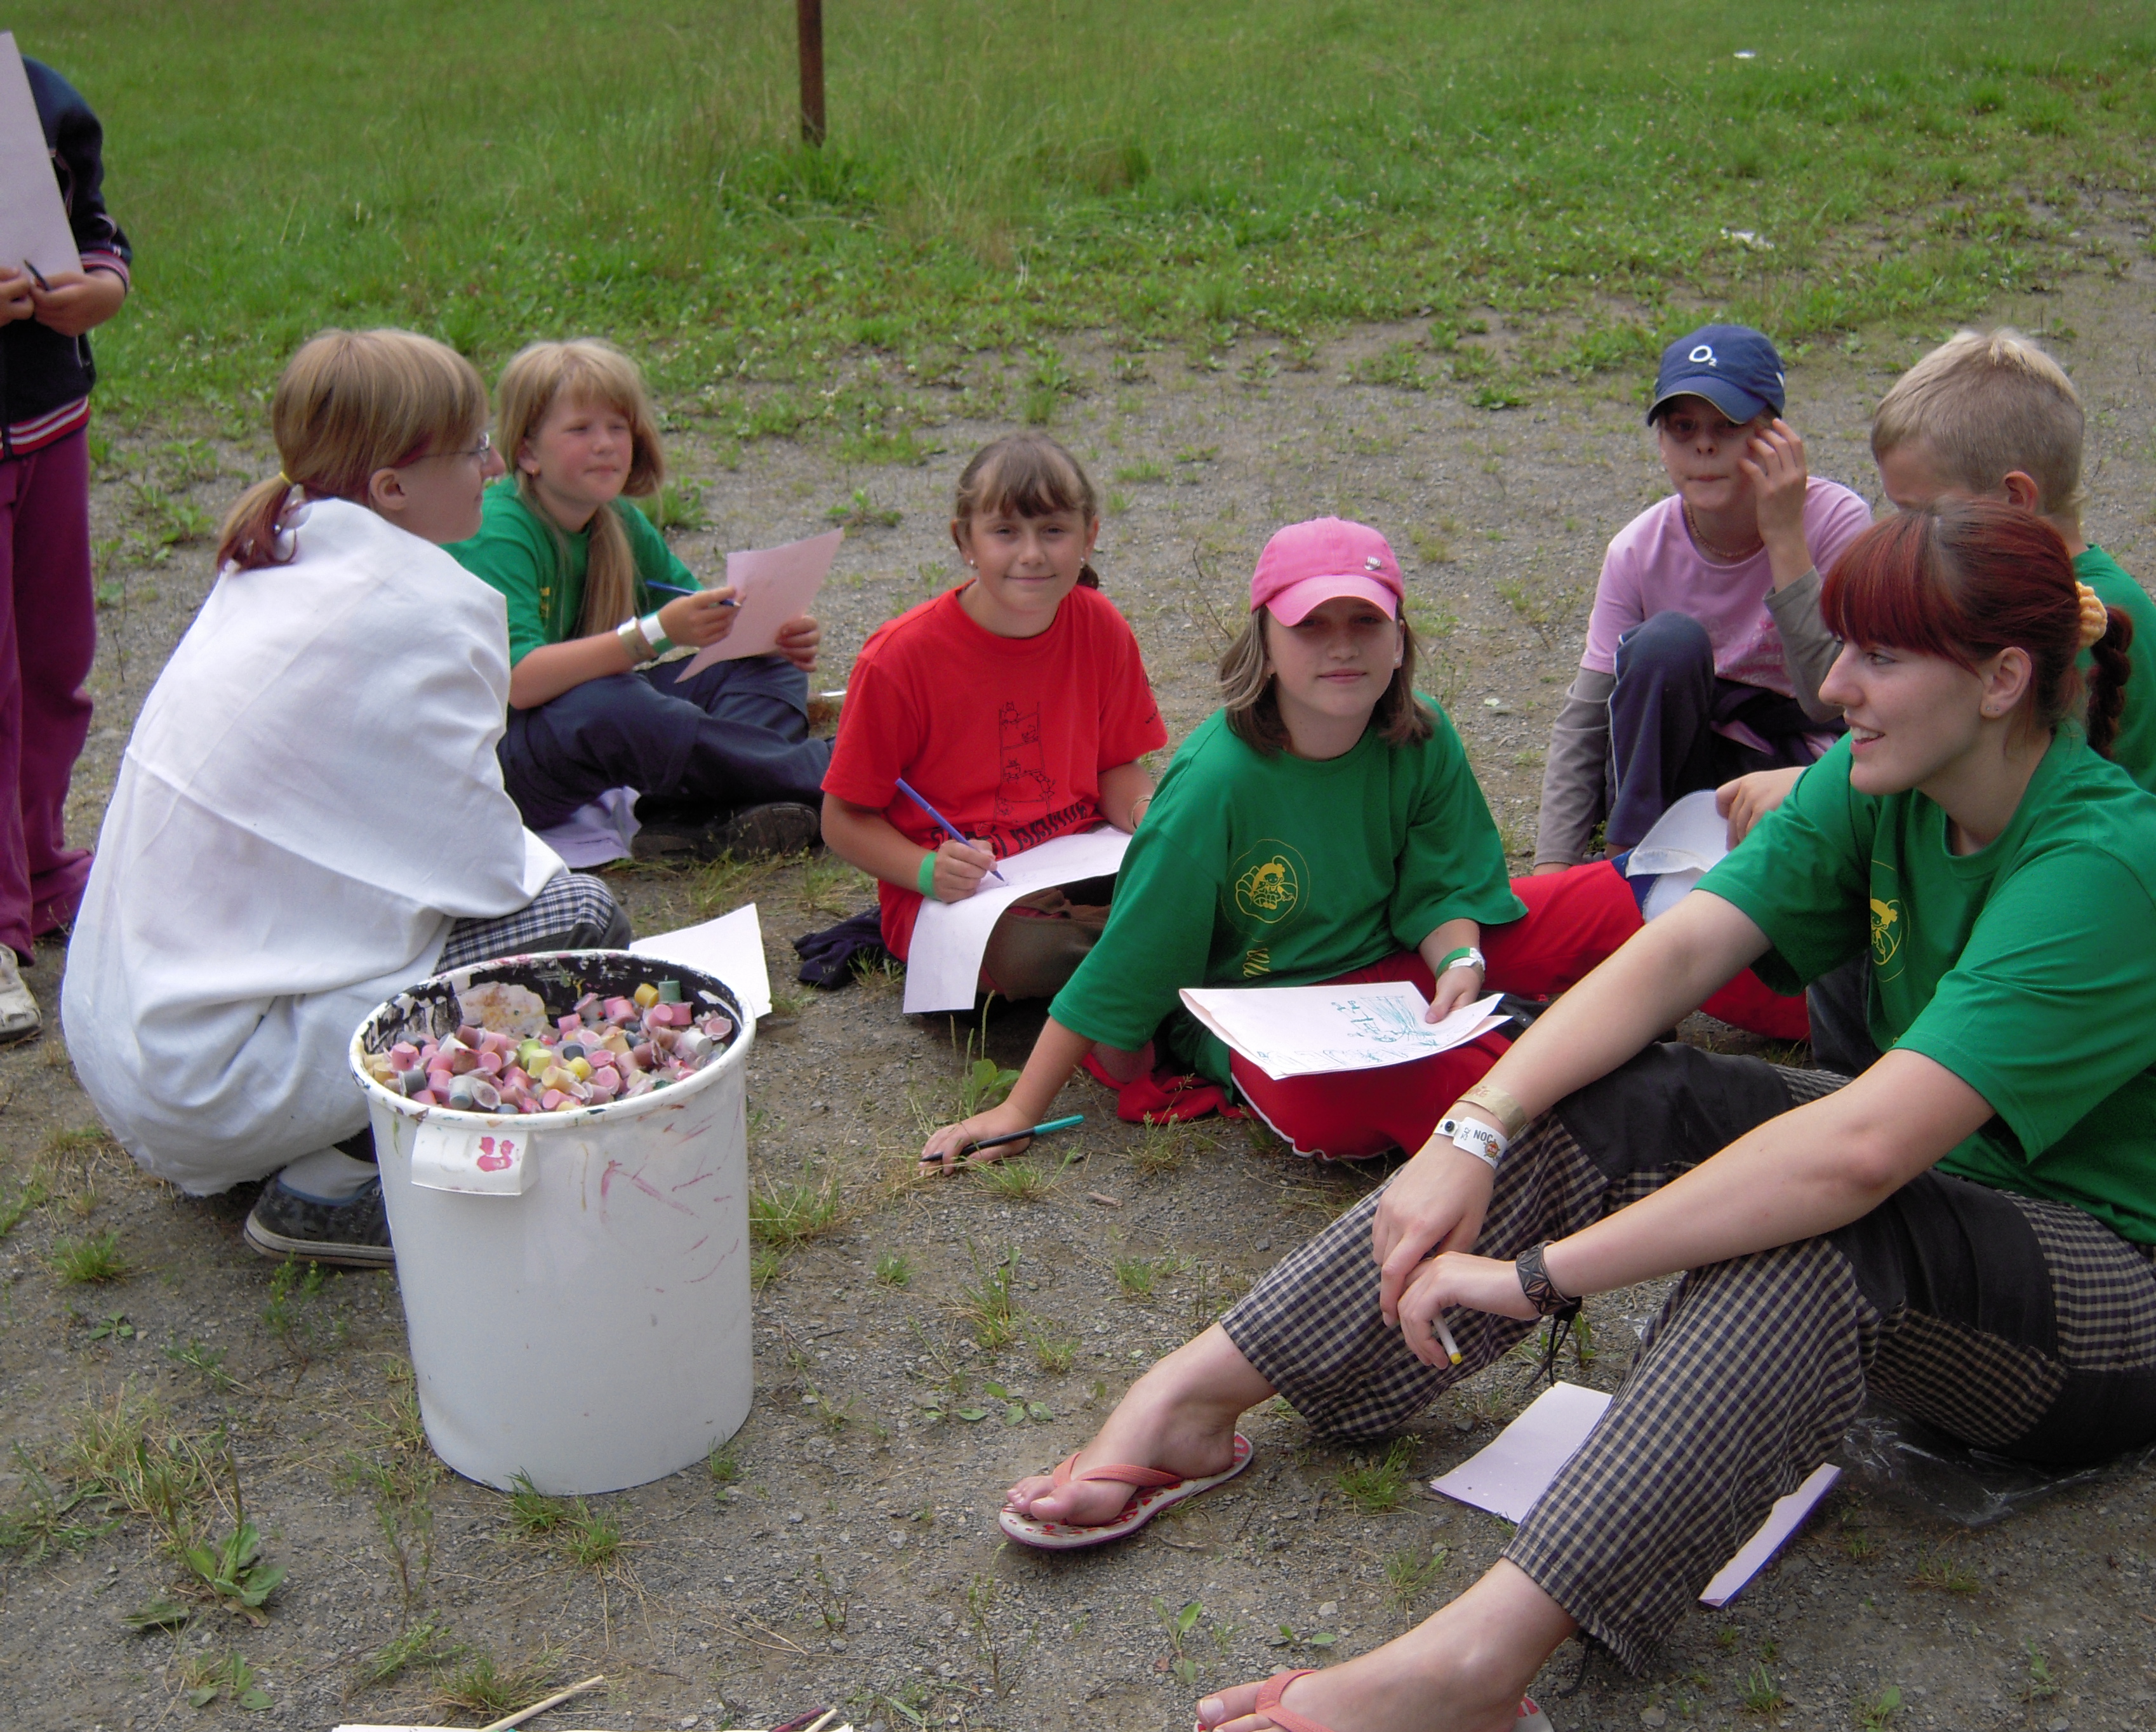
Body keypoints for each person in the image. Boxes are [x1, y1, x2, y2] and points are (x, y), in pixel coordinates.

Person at [996, 505, 2156, 1732]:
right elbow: (1677, 953)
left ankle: (1477, 1667)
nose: (1835, 690)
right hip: (1954, 1182)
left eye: (1881, 658)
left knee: (1822, 1238)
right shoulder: (1889, 780)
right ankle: (1197, 1400)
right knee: (1609, 1085)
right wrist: (1475, 1125)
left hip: (2131, 1286)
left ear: (2000, 681)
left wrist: (1536, 1276)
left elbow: (1858, 1156)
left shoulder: (2098, 867)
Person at [62, 330, 633, 1266]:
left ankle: (318, 1144)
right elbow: (486, 869)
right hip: (216, 1079)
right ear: (391, 488)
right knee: (580, 920)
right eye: (472, 450)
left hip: (132, 1046)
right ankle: (330, 1182)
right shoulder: (426, 609)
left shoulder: (277, 553)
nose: (493, 468)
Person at [926, 516, 1687, 1166]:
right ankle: (1612, 1100)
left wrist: (1460, 960)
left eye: (1366, 622)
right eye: (1311, 625)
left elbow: (1446, 886)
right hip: (1278, 1017)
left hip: (1397, 959)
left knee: (1644, 895)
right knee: (1383, 1095)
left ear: (1400, 640)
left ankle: (1708, 999)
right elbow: (1128, 962)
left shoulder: (1422, 732)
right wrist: (1019, 1109)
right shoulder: (1215, 783)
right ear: (1263, 642)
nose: (1342, 646)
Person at [1717, 327, 2156, 1073]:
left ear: (2014, 500)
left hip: (2119, 953)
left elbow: (2014, 777)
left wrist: (1808, 782)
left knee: (1863, 867)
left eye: (1918, 511)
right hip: (2087, 904)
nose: (1903, 535)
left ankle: (1863, 1089)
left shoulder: (2065, 625)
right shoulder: (2071, 591)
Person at [447, 339, 828, 860]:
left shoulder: (617, 520)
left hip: (583, 727)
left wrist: (770, 633)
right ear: (528, 452)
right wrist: (654, 634)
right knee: (611, 703)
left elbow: (709, 615)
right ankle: (831, 774)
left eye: (618, 427)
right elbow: (520, 682)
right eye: (581, 429)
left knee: (765, 666)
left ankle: (689, 820)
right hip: (503, 764)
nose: (605, 444)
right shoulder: (499, 529)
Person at [820, 433, 1165, 999]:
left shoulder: (1100, 626)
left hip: (1081, 863)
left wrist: (1146, 814)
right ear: (965, 541)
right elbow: (843, 821)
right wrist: (927, 870)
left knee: (1192, 869)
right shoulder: (900, 659)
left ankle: (1139, 951)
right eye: (1006, 532)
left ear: (1089, 537)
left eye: (1053, 531)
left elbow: (1115, 766)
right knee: (1028, 953)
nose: (1032, 553)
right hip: (963, 895)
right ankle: (1158, 953)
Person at [1531, 323, 1872, 873]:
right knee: (1665, 644)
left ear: (1777, 437)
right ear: (1661, 444)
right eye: (1682, 427)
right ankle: (1632, 869)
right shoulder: (1637, 550)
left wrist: (1785, 537)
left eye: (1729, 426)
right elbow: (1586, 720)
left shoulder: (1836, 521)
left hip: (1791, 772)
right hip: (1678, 770)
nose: (1704, 446)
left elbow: (1827, 701)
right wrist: (1551, 872)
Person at [0, 50, 131, 1043]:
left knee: (53, 665)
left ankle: (42, 872)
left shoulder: (39, 96)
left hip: (49, 424)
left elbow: (94, 230)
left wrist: (98, 289)